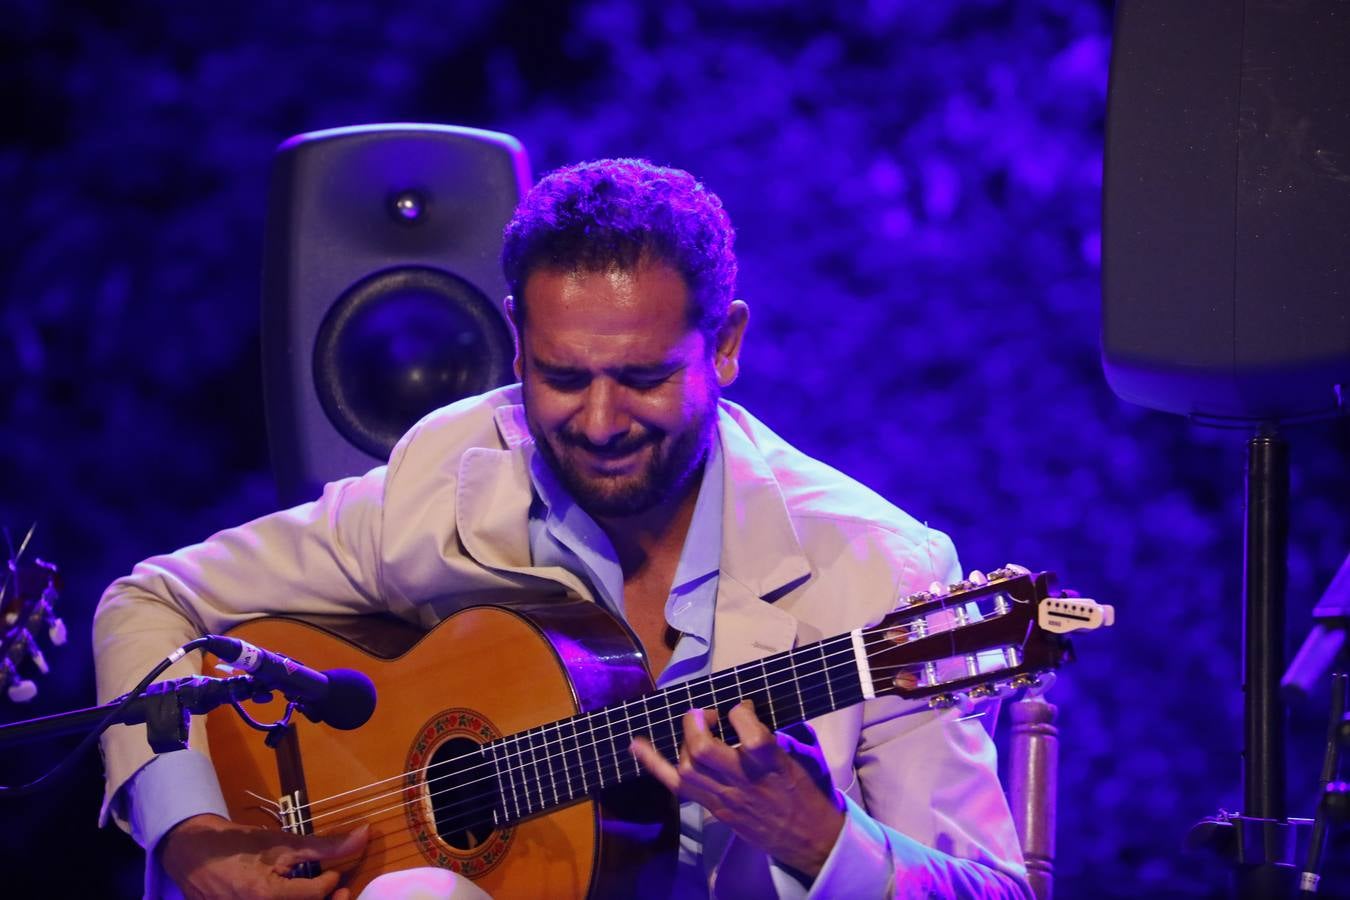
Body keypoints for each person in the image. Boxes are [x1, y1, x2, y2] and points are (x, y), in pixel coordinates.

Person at [94, 158, 1030, 899]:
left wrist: (822, 838)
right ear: (514, 344)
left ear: (728, 344)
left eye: (646, 377)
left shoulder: (876, 569)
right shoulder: (447, 475)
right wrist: (195, 840)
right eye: (563, 377)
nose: (601, 421)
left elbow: (996, 891)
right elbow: (154, 602)